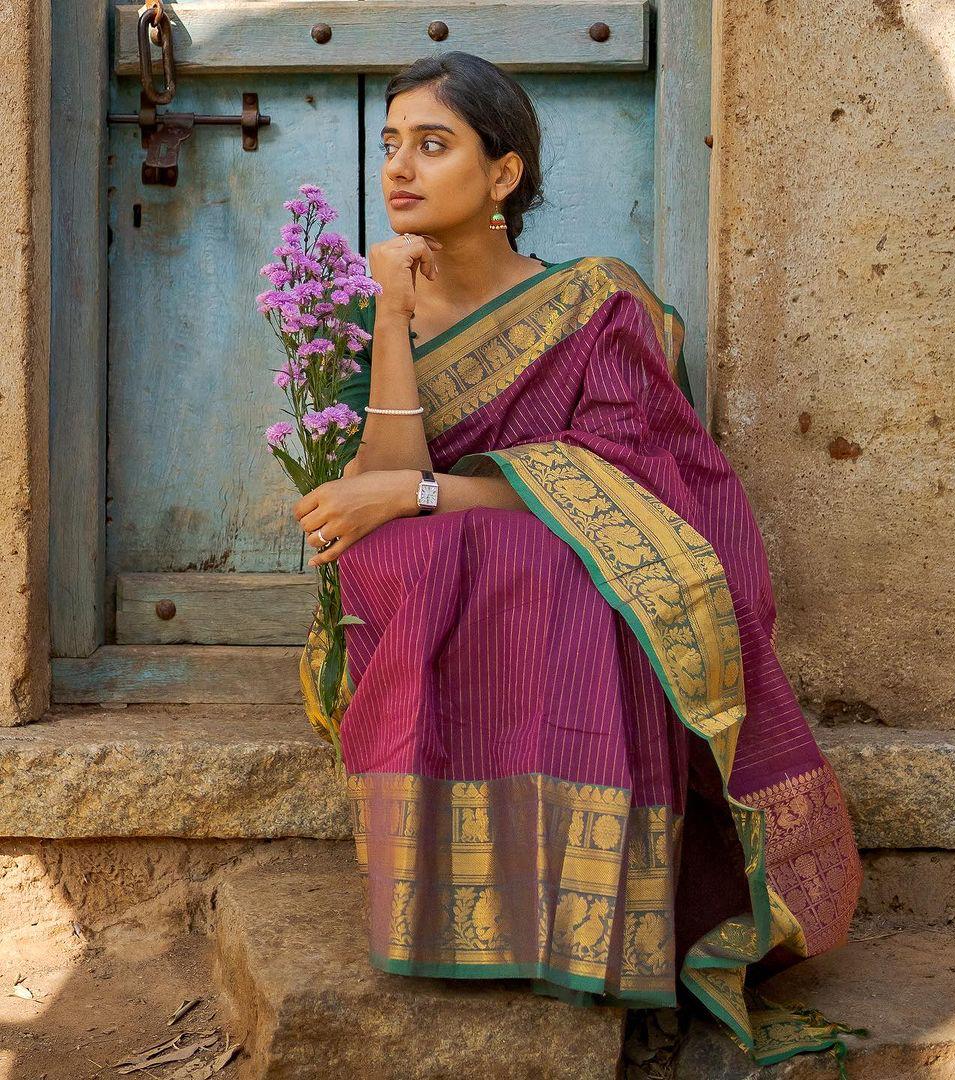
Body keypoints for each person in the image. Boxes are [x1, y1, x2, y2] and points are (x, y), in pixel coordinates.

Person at [293, 51, 866, 1076]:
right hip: (443, 556)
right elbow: (382, 490)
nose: (398, 170)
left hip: (571, 559)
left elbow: (627, 483)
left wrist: (420, 494)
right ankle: (447, 910)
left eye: (433, 144)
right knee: (426, 554)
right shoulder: (380, 305)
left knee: (543, 560)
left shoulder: (594, 304)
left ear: (504, 175)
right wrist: (387, 322)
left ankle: (593, 921)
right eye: (390, 146)